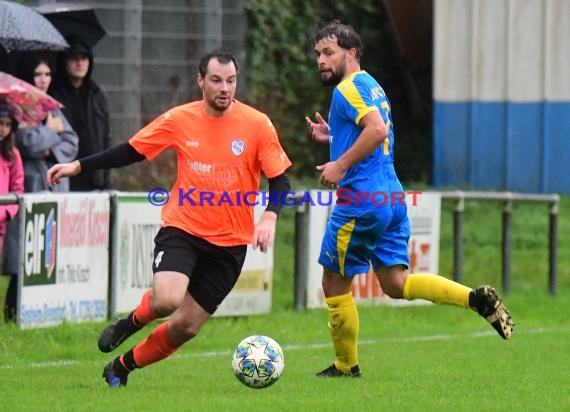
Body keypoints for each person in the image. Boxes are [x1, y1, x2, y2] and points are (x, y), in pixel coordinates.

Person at [47, 49, 292, 387]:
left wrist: (270, 217)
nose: (225, 88)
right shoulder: (180, 119)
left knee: (185, 327)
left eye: (231, 81)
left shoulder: (257, 124)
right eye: (217, 80)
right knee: (167, 299)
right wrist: (79, 165)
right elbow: (131, 151)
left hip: (231, 243)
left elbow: (280, 179)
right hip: (184, 227)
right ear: (201, 81)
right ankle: (130, 323)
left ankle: (122, 366)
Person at [304, 21, 514, 378]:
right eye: (318, 55)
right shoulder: (372, 85)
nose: (321, 61)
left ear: (351, 53)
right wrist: (335, 136)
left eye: (329, 53)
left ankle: (344, 366)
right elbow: (371, 132)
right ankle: (474, 298)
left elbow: (376, 130)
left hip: (362, 201)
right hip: (392, 198)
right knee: (395, 284)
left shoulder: (347, 89)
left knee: (333, 283)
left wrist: (339, 163)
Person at [50, 40, 111, 191]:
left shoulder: (97, 95)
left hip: (93, 176)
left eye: (84, 58)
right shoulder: (53, 94)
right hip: (63, 176)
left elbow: (105, 139)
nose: (80, 63)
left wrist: (104, 179)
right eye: (74, 58)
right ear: (64, 61)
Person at [15, 55, 79, 192]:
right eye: (38, 74)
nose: (43, 80)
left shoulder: (52, 106)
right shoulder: (19, 107)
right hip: (32, 180)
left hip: (57, 180)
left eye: (47, 74)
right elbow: (28, 144)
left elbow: (72, 142)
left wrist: (49, 151)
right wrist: (50, 130)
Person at [0, 101, 24, 321]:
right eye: (0, 123)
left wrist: (6, 212)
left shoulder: (12, 154)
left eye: (7, 124)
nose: (3, 129)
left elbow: (17, 190)